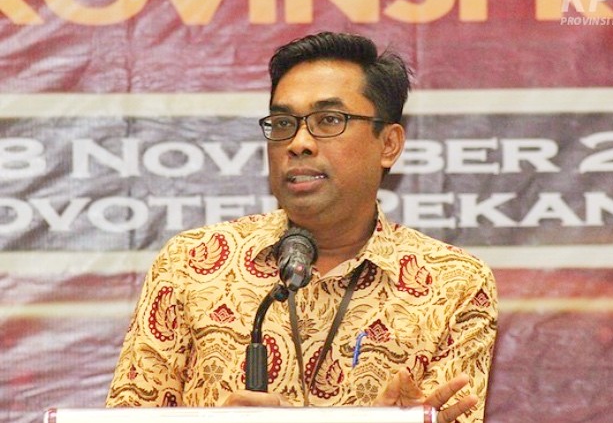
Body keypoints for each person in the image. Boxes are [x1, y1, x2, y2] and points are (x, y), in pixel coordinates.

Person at [106, 31, 498, 423]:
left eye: (329, 120)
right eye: (283, 123)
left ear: (389, 144)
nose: (299, 143)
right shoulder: (193, 263)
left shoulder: (453, 283)